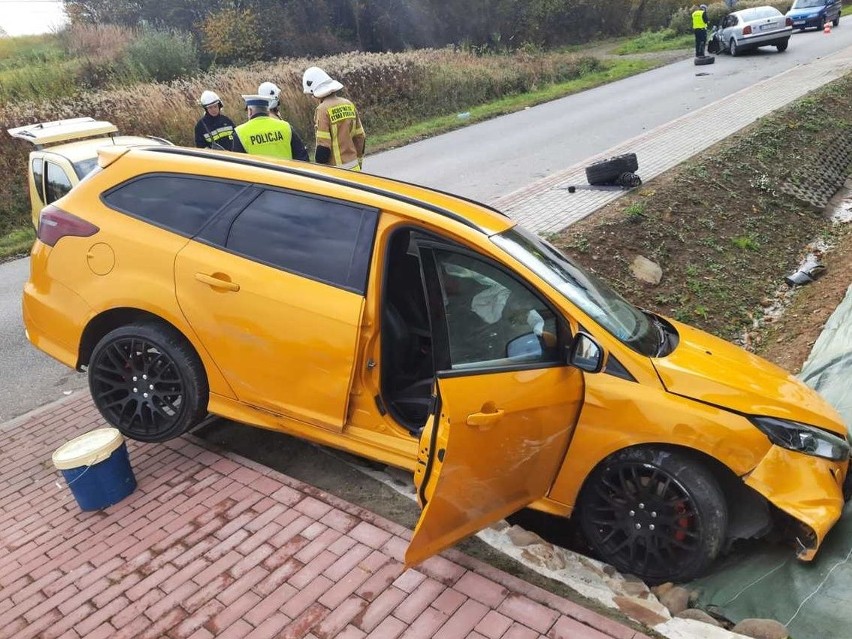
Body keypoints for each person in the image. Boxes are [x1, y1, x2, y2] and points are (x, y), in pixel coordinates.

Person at [302, 66, 366, 171]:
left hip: (337, 172)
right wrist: (358, 162)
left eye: (311, 95)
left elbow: (323, 149)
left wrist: (320, 169)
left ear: (315, 93)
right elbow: (360, 137)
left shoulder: (322, 110)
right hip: (355, 168)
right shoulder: (348, 104)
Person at [232, 95, 309, 161]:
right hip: (286, 176)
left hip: (257, 178)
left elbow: (238, 166)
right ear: (267, 111)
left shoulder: (240, 132)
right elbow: (302, 156)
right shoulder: (285, 126)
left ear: (250, 111)